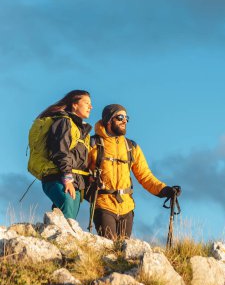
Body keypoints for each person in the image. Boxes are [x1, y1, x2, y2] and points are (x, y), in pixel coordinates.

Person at [88, 104, 181, 240]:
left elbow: (145, 176)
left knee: (123, 252)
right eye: (120, 117)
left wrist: (165, 190)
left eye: (126, 118)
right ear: (108, 120)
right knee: (108, 247)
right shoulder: (93, 144)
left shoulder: (131, 147)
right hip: (103, 205)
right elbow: (81, 172)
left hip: (127, 207)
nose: (124, 121)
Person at [37, 90, 92, 219]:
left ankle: (51, 238)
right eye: (87, 103)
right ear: (75, 105)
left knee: (67, 220)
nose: (91, 107)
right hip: (59, 177)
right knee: (66, 218)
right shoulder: (64, 122)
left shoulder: (83, 131)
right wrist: (67, 179)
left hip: (76, 182)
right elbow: (60, 151)